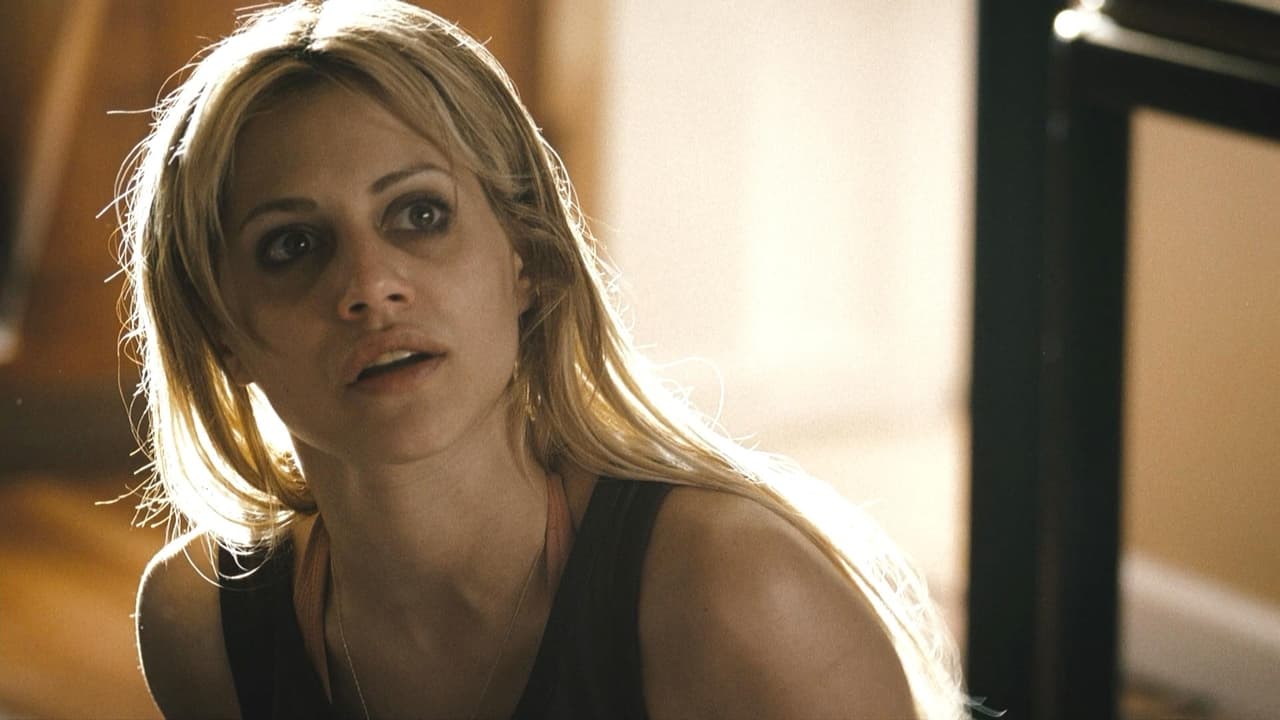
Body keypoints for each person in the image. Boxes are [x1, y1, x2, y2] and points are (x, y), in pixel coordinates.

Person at [120, 1, 969, 718]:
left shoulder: (737, 593)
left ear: (525, 255)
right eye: (293, 245)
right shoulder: (204, 628)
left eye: (419, 214)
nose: (370, 287)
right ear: (218, 328)